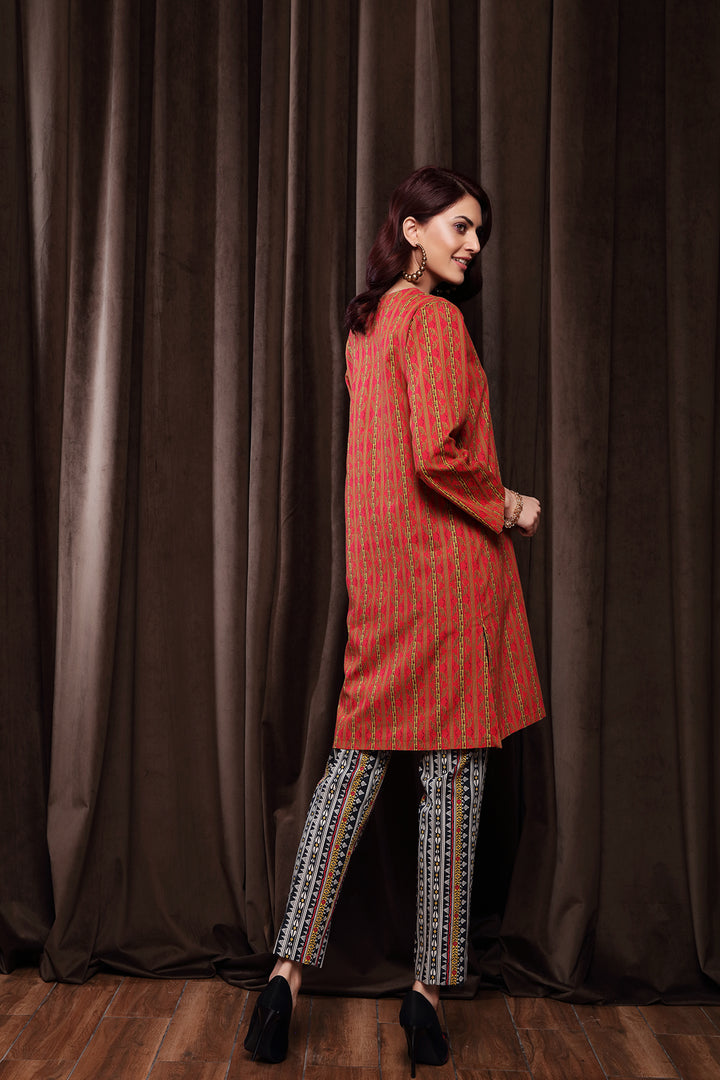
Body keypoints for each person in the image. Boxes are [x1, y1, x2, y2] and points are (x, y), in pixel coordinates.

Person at [243, 166, 544, 1075]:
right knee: (451, 787)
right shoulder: (436, 321)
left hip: (380, 582)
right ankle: (426, 998)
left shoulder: (365, 326)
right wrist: (509, 504)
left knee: (350, 777)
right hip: (448, 582)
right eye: (459, 226)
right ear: (411, 228)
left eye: (479, 232)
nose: (473, 245)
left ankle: (283, 980)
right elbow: (437, 453)